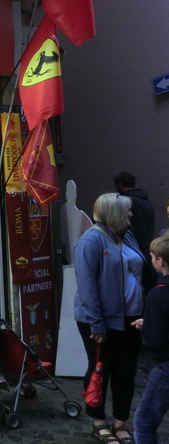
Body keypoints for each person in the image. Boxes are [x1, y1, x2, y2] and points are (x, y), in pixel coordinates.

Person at [74, 193, 151, 444]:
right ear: (114, 213)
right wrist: (97, 324)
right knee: (100, 369)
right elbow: (86, 287)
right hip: (100, 321)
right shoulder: (90, 241)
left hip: (132, 318)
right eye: (127, 210)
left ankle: (120, 422)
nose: (131, 214)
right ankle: (98, 420)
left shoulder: (127, 236)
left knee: (126, 371)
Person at [132, 234, 169, 444]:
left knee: (144, 421)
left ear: (160, 261)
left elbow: (155, 341)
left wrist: (146, 327)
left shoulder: (157, 295)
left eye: (152, 257)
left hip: (166, 366)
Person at [114, 171, 155, 258]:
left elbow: (138, 228)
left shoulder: (130, 201)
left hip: (138, 248)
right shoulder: (143, 198)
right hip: (146, 247)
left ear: (120, 184)